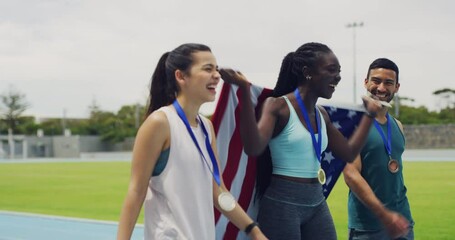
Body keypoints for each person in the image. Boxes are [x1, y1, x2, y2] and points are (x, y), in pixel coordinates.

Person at [220, 42, 383, 240]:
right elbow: (254, 147)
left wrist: (369, 116)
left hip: (316, 200)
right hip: (282, 204)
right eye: (331, 70)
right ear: (308, 72)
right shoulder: (278, 106)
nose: (338, 77)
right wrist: (245, 90)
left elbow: (348, 153)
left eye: (339, 71)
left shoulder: (321, 114)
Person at [116, 43, 267, 240]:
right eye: (207, 69)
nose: (217, 75)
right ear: (181, 76)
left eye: (216, 69)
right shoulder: (160, 122)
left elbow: (218, 191)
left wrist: (253, 230)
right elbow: (136, 191)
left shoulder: (206, 127)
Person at [343, 58, 414, 240]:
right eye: (376, 80)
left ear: (397, 87)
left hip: (402, 222)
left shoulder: (397, 125)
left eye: (388, 83)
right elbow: (351, 175)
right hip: (367, 227)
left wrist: (396, 217)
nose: (381, 88)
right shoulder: (354, 124)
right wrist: (385, 215)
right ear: (366, 82)